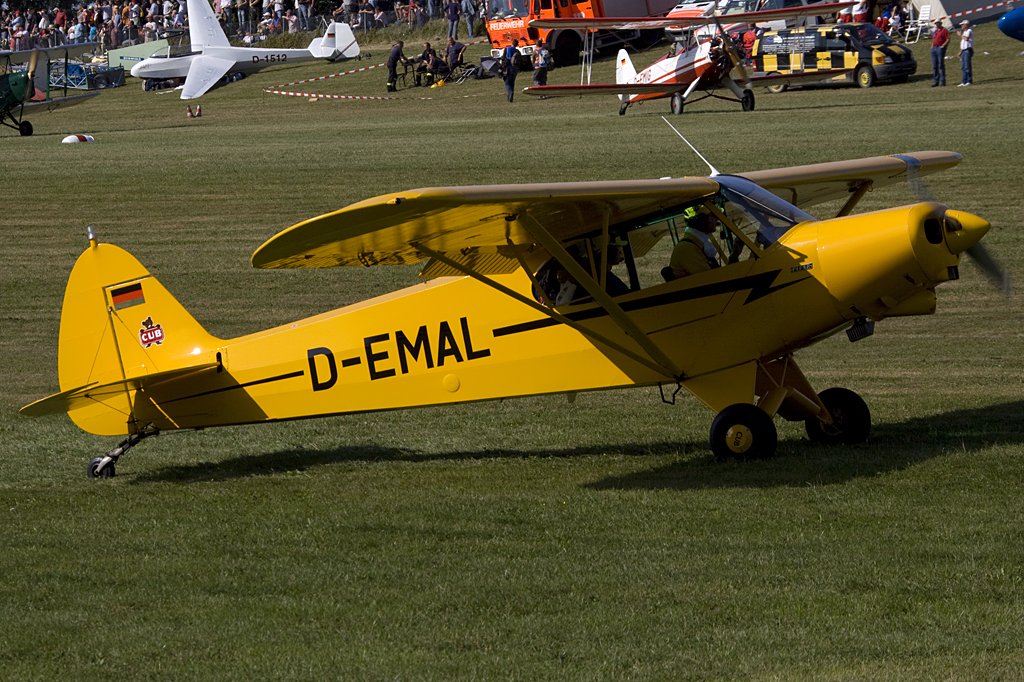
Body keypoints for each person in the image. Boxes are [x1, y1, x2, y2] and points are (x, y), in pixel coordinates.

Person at [667, 212, 721, 279]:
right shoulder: (686, 249)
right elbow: (709, 278)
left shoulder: (695, 244)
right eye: (710, 218)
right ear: (702, 223)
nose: (715, 220)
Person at [930, 18, 949, 87]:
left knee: (941, 64)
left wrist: (943, 46)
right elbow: (933, 38)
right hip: (934, 48)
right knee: (935, 65)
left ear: (940, 23)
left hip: (939, 48)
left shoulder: (944, 30)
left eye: (938, 23)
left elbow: (948, 39)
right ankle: (936, 81)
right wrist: (932, 46)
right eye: (936, 23)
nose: (937, 24)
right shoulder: (935, 31)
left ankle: (943, 81)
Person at [958, 19, 973, 86]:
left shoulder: (969, 31)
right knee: (963, 67)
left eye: (962, 25)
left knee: (967, 66)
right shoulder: (964, 32)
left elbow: (966, 39)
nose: (961, 26)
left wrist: (960, 35)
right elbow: (964, 44)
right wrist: (960, 52)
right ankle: (963, 81)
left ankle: (969, 81)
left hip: (968, 50)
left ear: (966, 25)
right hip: (964, 51)